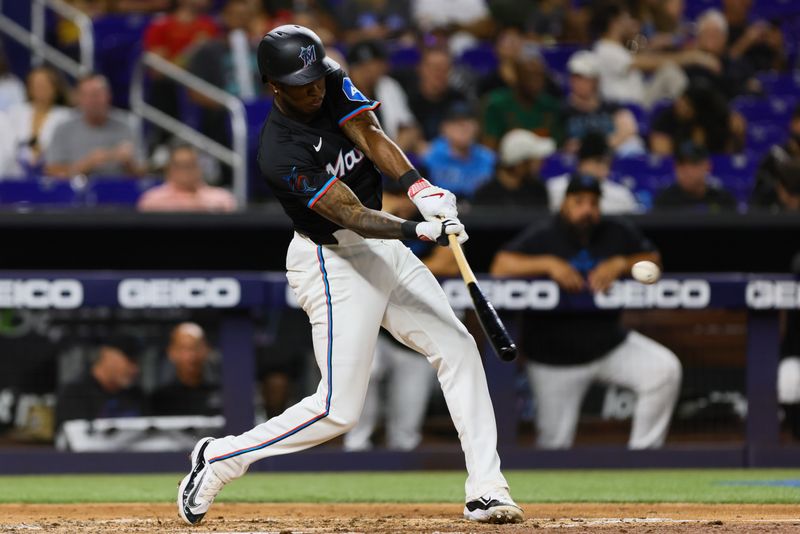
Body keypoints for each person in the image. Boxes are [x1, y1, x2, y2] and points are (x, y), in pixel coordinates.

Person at [177, 25, 523, 526]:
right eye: (300, 82)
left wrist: (419, 186)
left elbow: (369, 134)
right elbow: (350, 213)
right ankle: (221, 458)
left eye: (316, 75)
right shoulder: (279, 152)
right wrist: (415, 227)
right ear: (273, 85)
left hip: (384, 247)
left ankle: (486, 489)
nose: (314, 87)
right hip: (331, 260)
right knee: (339, 409)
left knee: (458, 347)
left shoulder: (330, 80)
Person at [490, 174, 682, 449]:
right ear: (565, 204)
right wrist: (548, 264)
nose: (587, 210)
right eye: (579, 202)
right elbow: (501, 265)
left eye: (593, 203)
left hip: (608, 343)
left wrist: (619, 263)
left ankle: (643, 458)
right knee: (553, 446)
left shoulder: (615, 230)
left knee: (664, 370)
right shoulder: (545, 233)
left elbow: (653, 260)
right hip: (554, 359)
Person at [591, 0, 718, 108]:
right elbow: (653, 63)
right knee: (669, 72)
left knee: (672, 76)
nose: (630, 21)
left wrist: (638, 39)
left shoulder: (620, 47)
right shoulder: (605, 49)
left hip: (640, 97)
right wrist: (695, 57)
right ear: (615, 22)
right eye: (625, 18)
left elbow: (640, 54)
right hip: (627, 106)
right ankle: (694, 111)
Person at [187, 0, 263, 148]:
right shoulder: (208, 51)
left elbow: (269, 86)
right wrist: (230, 105)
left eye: (247, 15)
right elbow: (194, 92)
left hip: (257, 116)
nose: (242, 19)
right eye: (237, 15)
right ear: (225, 17)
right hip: (222, 117)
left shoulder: (260, 49)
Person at [44, 74, 145, 178]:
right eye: (88, 95)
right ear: (78, 98)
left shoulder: (126, 126)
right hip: (73, 191)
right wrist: (88, 164)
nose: (93, 101)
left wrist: (129, 162)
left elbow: (142, 174)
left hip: (117, 190)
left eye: (97, 94)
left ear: (108, 96)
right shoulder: (63, 129)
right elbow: (53, 172)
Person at [561, 50, 645, 157]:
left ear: (596, 81)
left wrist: (603, 145)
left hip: (610, 152)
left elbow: (629, 129)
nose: (579, 83)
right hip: (578, 158)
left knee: (633, 146)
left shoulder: (609, 106)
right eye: (575, 78)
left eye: (584, 79)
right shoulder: (563, 109)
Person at [55, 335, 146, 430]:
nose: (135, 369)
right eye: (130, 360)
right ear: (106, 354)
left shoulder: (136, 395)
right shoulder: (75, 394)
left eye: (138, 362)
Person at [481, 43, 561, 150]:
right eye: (530, 75)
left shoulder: (551, 106)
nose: (537, 82)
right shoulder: (497, 105)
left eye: (540, 75)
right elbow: (489, 150)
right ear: (517, 76)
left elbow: (558, 149)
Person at [344, 39, 420, 151]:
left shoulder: (388, 86)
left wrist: (391, 155)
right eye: (361, 67)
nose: (368, 72)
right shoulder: (337, 93)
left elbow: (409, 129)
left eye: (372, 66)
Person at [547, 131, 640, 214]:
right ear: (581, 163)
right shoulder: (555, 189)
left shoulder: (621, 195)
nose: (603, 168)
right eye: (598, 161)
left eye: (607, 163)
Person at [6, 66, 72, 178]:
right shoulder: (15, 113)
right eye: (36, 85)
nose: (40, 90)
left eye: (45, 86)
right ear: (29, 88)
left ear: (55, 88)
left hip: (52, 175)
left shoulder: (66, 116)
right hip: (16, 174)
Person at [421, 101, 495, 199]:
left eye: (467, 122)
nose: (463, 128)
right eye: (456, 123)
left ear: (477, 127)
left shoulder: (488, 158)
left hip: (478, 210)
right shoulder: (429, 155)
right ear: (444, 128)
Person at [649, 81, 745, 156]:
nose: (679, 104)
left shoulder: (720, 121)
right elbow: (663, 154)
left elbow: (729, 157)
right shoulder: (667, 118)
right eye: (681, 98)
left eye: (687, 103)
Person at [137, 142, 237, 212]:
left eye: (191, 165)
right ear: (169, 169)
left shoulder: (222, 199)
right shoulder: (152, 201)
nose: (186, 172)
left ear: (199, 168)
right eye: (181, 166)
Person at [151, 323, 221, 416]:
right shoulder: (158, 400)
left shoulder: (222, 395)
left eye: (196, 348)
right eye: (184, 349)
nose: (191, 356)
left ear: (206, 350)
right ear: (171, 352)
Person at [472, 128, 552, 208]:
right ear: (520, 164)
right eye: (534, 160)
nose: (540, 164)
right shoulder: (485, 194)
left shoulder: (538, 191)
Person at [652, 142, 738, 212]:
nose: (686, 170)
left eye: (693, 163)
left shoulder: (723, 200)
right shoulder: (665, 201)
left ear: (707, 166)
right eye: (681, 164)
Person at [750, 104, 800, 209]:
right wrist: (781, 195)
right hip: (777, 217)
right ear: (793, 123)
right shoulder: (774, 157)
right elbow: (759, 196)